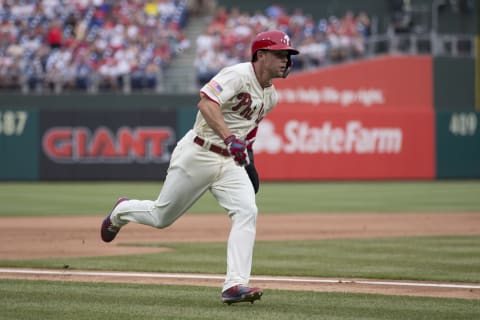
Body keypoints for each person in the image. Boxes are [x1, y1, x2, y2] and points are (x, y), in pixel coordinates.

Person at [100, 30, 299, 304]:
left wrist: (248, 159)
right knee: (161, 217)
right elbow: (206, 103)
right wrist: (230, 139)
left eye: (287, 55)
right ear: (260, 55)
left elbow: (248, 133)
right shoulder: (237, 74)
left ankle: (234, 285)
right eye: (279, 54)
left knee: (247, 211)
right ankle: (121, 211)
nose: (285, 60)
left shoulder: (271, 97)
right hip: (199, 151)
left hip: (229, 162)